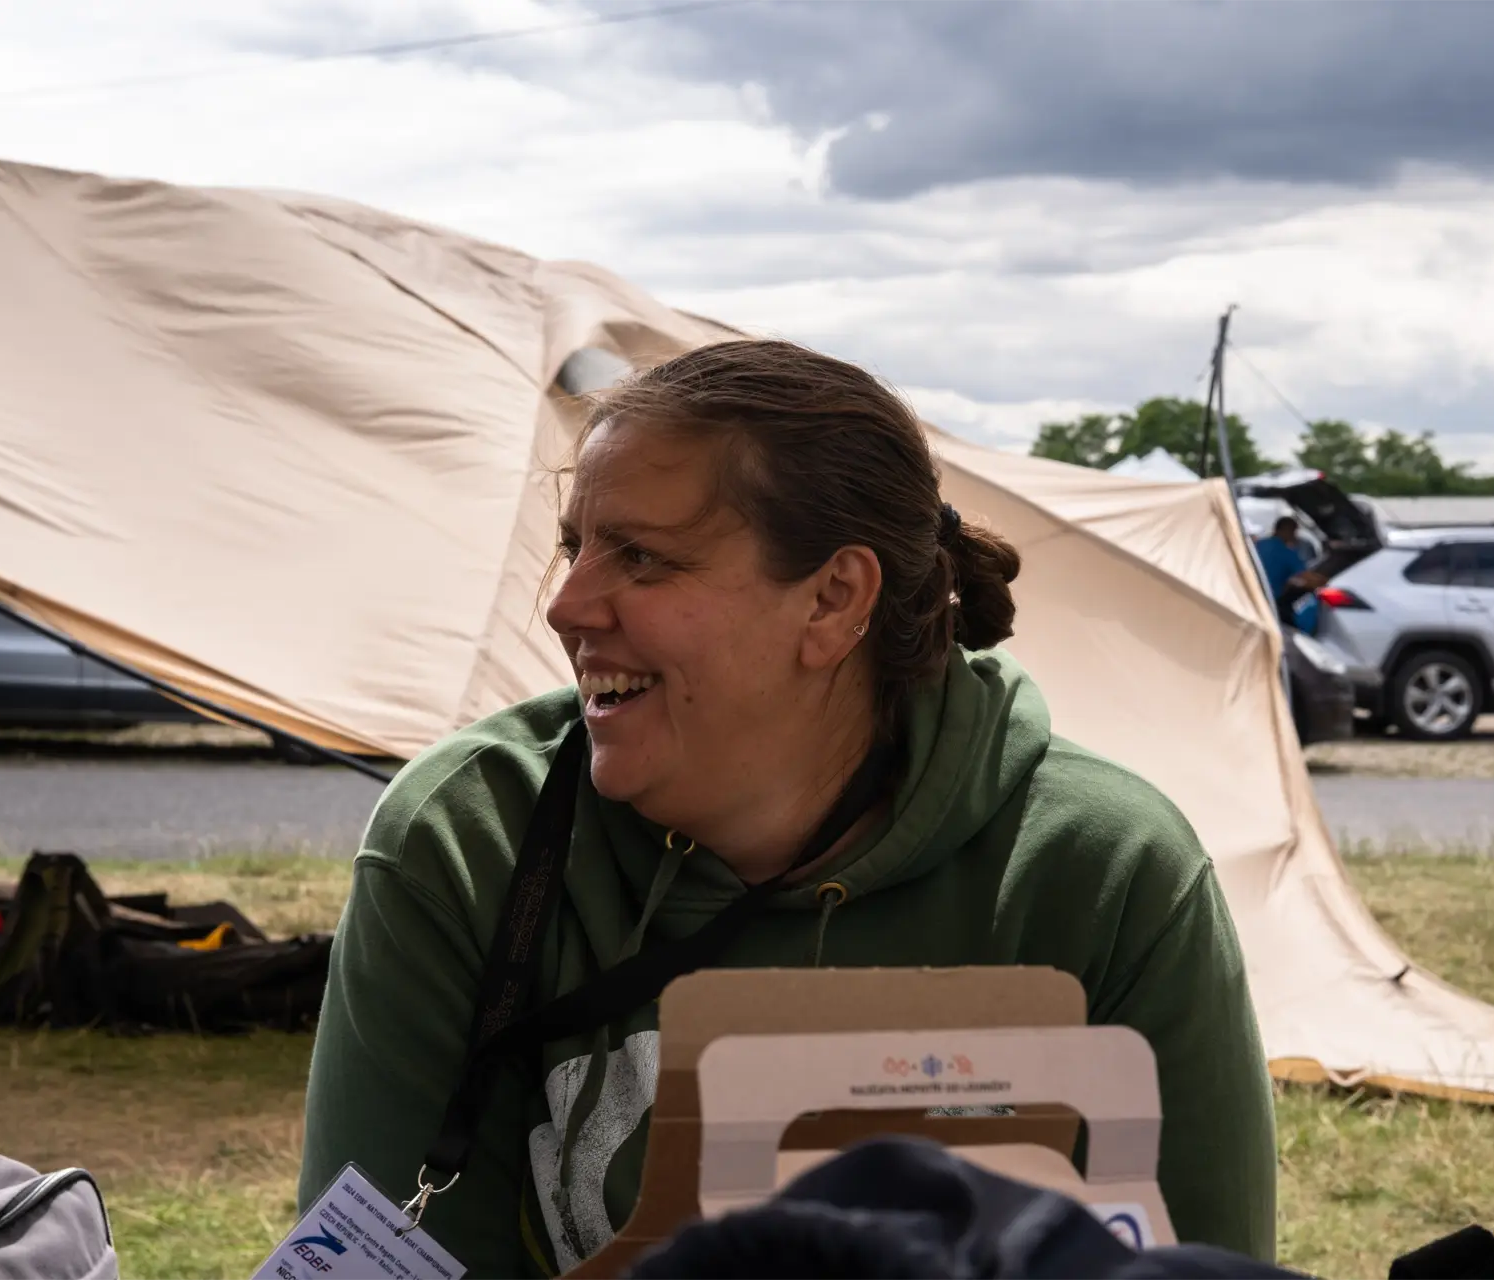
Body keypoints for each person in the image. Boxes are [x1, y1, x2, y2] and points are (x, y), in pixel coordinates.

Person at [299, 339, 1278, 1276]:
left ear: (832, 600)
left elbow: (1205, 1260)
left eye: (642, 557)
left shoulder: (1100, 869)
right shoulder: (470, 840)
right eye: (576, 546)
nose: (568, 604)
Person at [1254, 517, 1324, 633]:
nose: (1295, 536)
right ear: (1286, 530)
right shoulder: (1286, 552)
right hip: (1270, 602)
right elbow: (1308, 578)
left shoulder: (1258, 544)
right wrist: (1328, 582)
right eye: (1294, 532)